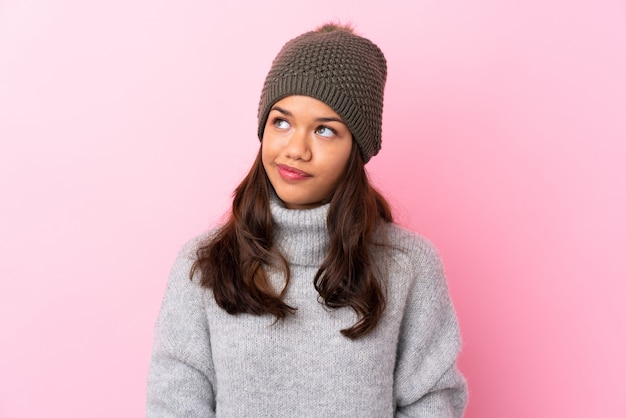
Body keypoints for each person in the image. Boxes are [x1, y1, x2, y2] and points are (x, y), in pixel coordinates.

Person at [146, 22, 467, 417]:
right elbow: (174, 403)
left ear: (357, 149)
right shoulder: (203, 263)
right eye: (281, 121)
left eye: (325, 131)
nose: (296, 149)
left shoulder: (408, 266)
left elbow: (432, 401)